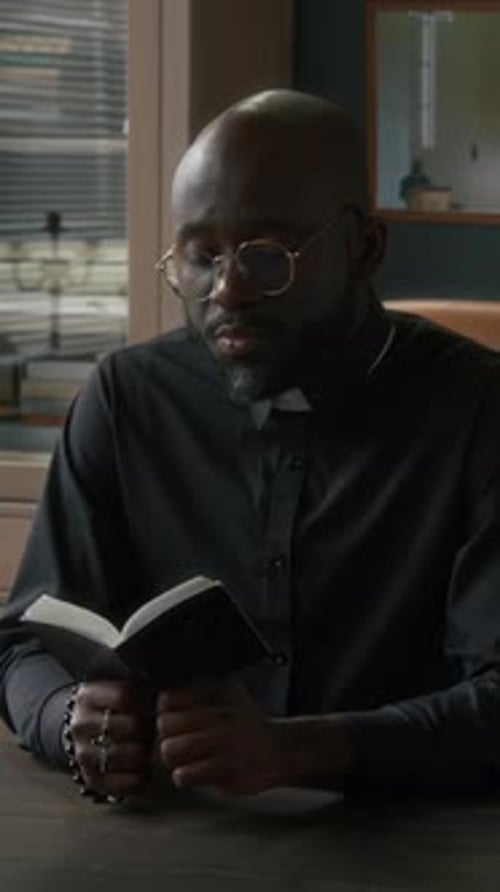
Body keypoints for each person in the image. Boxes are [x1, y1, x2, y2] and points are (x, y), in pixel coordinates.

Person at [2, 88, 500, 802]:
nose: (227, 290)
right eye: (200, 257)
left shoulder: (479, 410)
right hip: (163, 840)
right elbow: (19, 643)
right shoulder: (126, 399)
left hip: (412, 842)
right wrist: (65, 716)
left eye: (267, 257)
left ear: (365, 247)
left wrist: (297, 751)